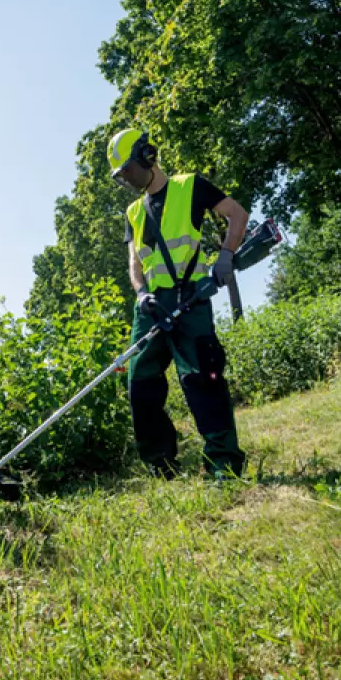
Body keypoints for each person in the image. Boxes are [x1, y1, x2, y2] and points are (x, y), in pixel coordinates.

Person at [107, 126, 249, 479]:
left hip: (192, 298)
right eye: (120, 175)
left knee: (203, 377)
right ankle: (162, 464)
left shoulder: (190, 187)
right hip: (152, 306)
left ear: (146, 157)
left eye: (127, 170)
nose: (125, 179)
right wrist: (141, 293)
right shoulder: (134, 213)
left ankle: (224, 464)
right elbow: (134, 264)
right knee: (139, 379)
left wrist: (227, 256)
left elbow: (238, 215)